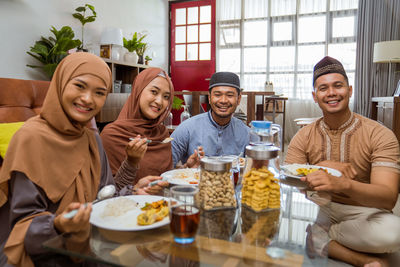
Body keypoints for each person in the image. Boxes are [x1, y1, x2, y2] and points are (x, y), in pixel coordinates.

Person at [0, 52, 152, 267]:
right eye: (79, 86)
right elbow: (23, 223)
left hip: (88, 245)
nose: (88, 99)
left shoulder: (91, 138)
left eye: (99, 92)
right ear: (61, 84)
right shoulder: (29, 138)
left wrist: (134, 194)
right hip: (43, 253)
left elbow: (104, 195)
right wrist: (59, 224)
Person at [285, 56, 400, 267]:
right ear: (314, 96)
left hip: (361, 210)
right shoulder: (303, 136)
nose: (331, 93)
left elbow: (388, 198)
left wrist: (344, 184)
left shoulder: (379, 134)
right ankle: (361, 259)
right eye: (323, 88)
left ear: (350, 90)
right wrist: (325, 168)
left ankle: (317, 237)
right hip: (318, 206)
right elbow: (289, 184)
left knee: (394, 233)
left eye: (338, 86)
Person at [100, 68, 172, 191]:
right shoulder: (111, 135)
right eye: (154, 92)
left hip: (162, 207)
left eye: (166, 97)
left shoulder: (162, 133)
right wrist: (131, 162)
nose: (160, 101)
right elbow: (107, 192)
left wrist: (186, 168)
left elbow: (167, 178)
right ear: (138, 91)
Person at [171, 72, 250, 167]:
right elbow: (165, 165)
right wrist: (186, 168)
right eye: (217, 95)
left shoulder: (246, 133)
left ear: (239, 99)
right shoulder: (187, 128)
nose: (223, 100)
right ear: (209, 98)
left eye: (230, 95)